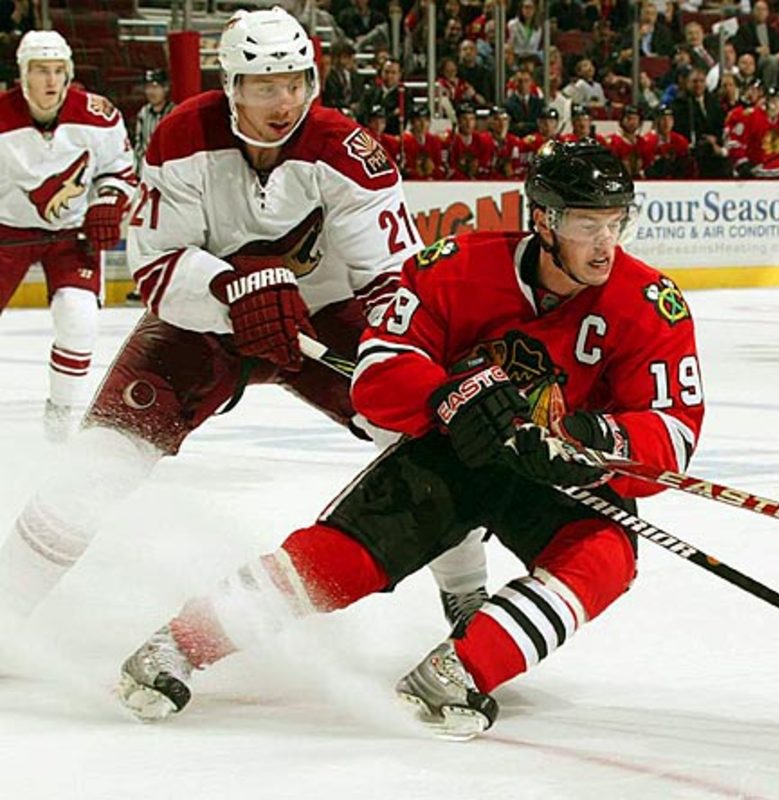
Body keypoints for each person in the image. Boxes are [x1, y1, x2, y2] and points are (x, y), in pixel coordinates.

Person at [115, 140, 706, 741]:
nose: (607, 243)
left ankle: (463, 666)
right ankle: (178, 644)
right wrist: (445, 397)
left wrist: (592, 439)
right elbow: (377, 371)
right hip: (453, 455)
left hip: (556, 474)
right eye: (588, 224)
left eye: (616, 222)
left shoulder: (649, 304)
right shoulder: (456, 267)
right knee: (340, 562)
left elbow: (674, 431)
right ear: (544, 221)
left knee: (606, 554)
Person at [0, 8, 487, 628]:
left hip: (325, 320)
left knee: (427, 439)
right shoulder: (181, 137)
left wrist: (397, 362)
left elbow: (397, 283)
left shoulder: (350, 153)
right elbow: (156, 271)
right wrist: (235, 289)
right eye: (264, 86)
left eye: (295, 82)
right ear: (230, 86)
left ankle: (467, 595)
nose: (283, 102)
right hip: (203, 323)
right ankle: (6, 609)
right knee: (101, 457)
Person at [0, 30, 137, 441]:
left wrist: (106, 204)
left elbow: (120, 169)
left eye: (59, 71)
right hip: (7, 231)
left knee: (79, 318)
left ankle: (59, 417)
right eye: (41, 70)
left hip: (70, 235)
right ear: (23, 75)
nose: (51, 81)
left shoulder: (98, 116)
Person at [133, 70, 174, 176]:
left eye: (155, 87)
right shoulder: (143, 113)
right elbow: (139, 143)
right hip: (147, 168)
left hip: (168, 168)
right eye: (148, 87)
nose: (150, 92)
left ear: (165, 88)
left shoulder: (174, 113)